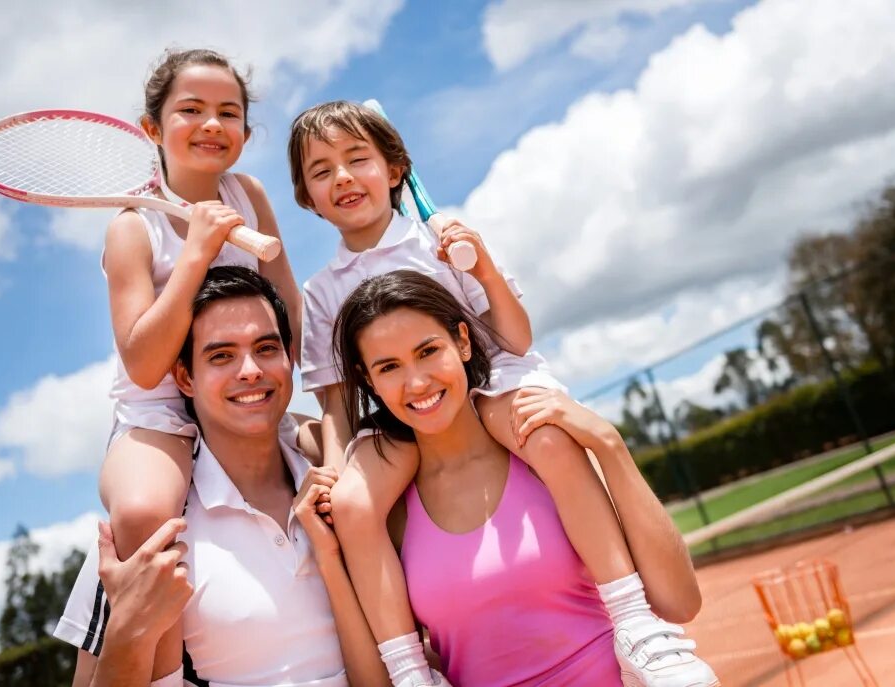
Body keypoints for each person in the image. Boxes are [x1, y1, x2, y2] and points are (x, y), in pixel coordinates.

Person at [288, 101, 717, 686]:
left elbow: (514, 338)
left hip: (491, 388)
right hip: (392, 423)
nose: (341, 177)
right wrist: (338, 473)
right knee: (356, 506)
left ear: (394, 171)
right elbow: (336, 405)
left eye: (357, 158)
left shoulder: (446, 244)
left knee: (546, 436)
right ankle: (411, 672)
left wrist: (483, 268)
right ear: (306, 197)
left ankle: (634, 621)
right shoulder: (320, 293)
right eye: (321, 170)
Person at [333, 270, 718, 686]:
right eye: (389, 367)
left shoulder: (540, 453)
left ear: (462, 341)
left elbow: (679, 602)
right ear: (369, 380)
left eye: (428, 351)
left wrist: (609, 444)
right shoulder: (389, 512)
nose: (417, 381)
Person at [55, 266, 389, 687]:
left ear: (289, 356)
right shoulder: (151, 521)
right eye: (221, 356)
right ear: (185, 378)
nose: (250, 370)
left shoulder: (342, 473)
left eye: (266, 348)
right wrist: (129, 630)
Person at [100, 48, 301, 680]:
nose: (213, 124)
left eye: (229, 113)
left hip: (245, 403)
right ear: (153, 129)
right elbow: (142, 362)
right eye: (192, 110)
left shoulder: (250, 195)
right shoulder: (134, 228)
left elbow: (287, 312)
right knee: (141, 515)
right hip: (161, 412)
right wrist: (195, 258)